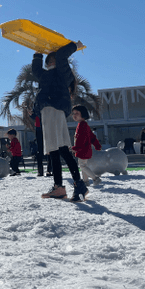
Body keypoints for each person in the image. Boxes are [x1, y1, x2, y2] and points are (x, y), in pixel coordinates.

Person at [32, 40, 88, 201]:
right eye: (48, 59)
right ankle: (60, 187)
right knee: (56, 150)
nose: (50, 61)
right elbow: (36, 70)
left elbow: (63, 54)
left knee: (61, 149)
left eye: (51, 59)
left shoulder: (62, 72)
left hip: (54, 109)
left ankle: (78, 184)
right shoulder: (46, 75)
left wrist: (75, 46)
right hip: (48, 111)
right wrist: (37, 54)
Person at [71, 105, 102, 186]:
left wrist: (75, 148)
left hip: (83, 150)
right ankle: (85, 181)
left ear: (83, 114)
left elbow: (81, 139)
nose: (74, 115)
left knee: (83, 166)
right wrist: (97, 145)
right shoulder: (83, 125)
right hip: (83, 150)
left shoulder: (82, 126)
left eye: (77, 113)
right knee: (83, 166)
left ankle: (95, 178)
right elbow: (92, 137)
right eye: (73, 113)